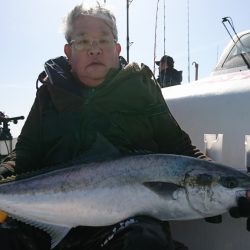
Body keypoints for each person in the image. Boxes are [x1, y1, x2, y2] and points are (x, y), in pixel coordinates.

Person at [0, 2, 249, 250]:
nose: (94, 50)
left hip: (126, 224)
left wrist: (229, 184)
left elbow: (179, 147)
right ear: (69, 51)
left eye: (104, 41)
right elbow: (24, 156)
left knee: (143, 241)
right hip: (50, 214)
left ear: (117, 48)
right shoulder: (49, 94)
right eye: (83, 41)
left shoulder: (141, 89)